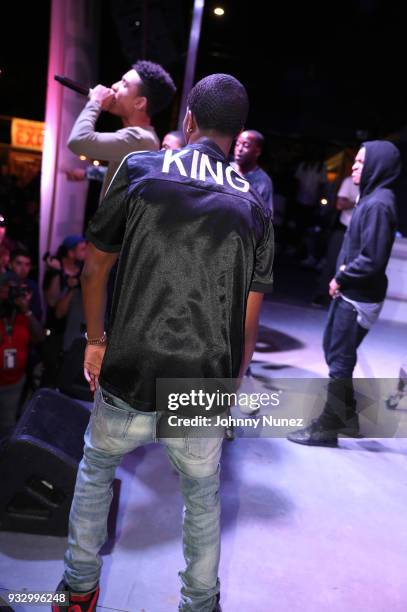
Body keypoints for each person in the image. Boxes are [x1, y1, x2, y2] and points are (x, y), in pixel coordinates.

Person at [53, 74, 274, 612]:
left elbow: (93, 268)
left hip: (130, 366)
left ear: (189, 121)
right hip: (202, 384)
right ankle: (199, 604)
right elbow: (248, 319)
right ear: (237, 132)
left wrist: (95, 342)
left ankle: (79, 590)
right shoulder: (254, 206)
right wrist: (232, 388)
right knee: (201, 498)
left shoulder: (140, 169)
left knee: (96, 469)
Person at [288, 140, 401, 446]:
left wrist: (342, 277)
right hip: (355, 292)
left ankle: (327, 427)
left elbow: (373, 260)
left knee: (339, 358)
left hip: (358, 295)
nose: (353, 166)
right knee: (335, 351)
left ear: (378, 167)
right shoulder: (373, 198)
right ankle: (346, 418)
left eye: (361, 162)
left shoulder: (378, 204)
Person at [67, 60, 176, 200]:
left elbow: (78, 141)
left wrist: (95, 101)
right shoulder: (141, 138)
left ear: (140, 103)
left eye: (124, 84)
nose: (114, 86)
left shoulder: (142, 139)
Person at [0, 273, 44, 437]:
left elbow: (39, 337)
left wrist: (26, 310)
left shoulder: (22, 314)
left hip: (14, 384)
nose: (11, 294)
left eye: (14, 289)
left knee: (7, 426)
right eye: (7, 289)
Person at [42, 235, 87, 386]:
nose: (86, 250)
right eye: (82, 248)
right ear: (70, 252)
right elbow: (52, 301)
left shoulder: (82, 270)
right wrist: (57, 272)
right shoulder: (56, 269)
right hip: (55, 329)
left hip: (73, 329)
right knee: (52, 373)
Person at [312, 174, 359, 307]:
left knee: (351, 266)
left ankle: (344, 300)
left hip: (362, 231)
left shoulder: (373, 186)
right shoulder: (350, 181)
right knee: (333, 262)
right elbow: (340, 204)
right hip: (344, 228)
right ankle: (322, 294)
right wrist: (358, 202)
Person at [233, 129, 274, 213]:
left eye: (246, 145)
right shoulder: (224, 169)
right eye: (237, 144)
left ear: (257, 152)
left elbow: (264, 217)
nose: (239, 149)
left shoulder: (263, 181)